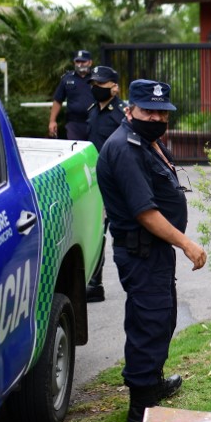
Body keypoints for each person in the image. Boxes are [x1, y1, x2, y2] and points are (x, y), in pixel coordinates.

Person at [96, 79, 207, 422]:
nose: (157, 118)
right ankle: (141, 406)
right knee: (149, 322)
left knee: (162, 318)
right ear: (129, 110)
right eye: (149, 111)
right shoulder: (125, 149)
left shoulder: (148, 141)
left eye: (163, 112)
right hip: (141, 252)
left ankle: (153, 383)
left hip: (154, 253)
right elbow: (145, 213)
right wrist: (186, 243)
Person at [84, 65, 126, 303]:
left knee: (118, 231)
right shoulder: (92, 111)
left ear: (114, 87)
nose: (96, 89)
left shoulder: (120, 113)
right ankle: (95, 282)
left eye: (100, 85)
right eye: (93, 85)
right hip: (95, 180)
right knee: (96, 231)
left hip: (115, 181)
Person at [49, 50, 96, 140]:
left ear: (90, 63)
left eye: (83, 61)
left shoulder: (97, 78)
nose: (80, 64)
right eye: (77, 61)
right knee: (76, 149)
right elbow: (58, 100)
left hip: (95, 122)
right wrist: (52, 121)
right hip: (74, 124)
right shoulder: (67, 79)